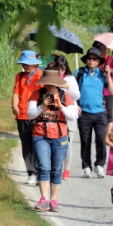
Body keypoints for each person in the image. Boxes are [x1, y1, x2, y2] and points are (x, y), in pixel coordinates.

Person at [27, 68, 77, 212]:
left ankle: (54, 200)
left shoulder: (64, 96)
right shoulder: (37, 94)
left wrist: (60, 106)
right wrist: (42, 106)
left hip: (60, 136)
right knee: (43, 166)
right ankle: (44, 199)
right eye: (47, 84)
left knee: (56, 168)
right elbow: (30, 114)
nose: (49, 87)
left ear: (57, 84)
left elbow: (72, 116)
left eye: (52, 84)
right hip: (40, 134)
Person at [75, 47, 113, 178]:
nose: (91, 61)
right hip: (84, 113)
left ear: (99, 61)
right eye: (89, 58)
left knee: (101, 140)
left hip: (100, 113)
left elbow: (112, 91)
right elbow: (72, 91)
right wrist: (75, 105)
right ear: (86, 60)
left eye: (94, 59)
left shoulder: (103, 73)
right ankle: (86, 166)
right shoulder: (80, 73)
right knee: (85, 141)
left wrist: (108, 76)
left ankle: (99, 164)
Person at [12, 50, 43, 185]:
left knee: (38, 144)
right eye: (24, 64)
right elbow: (15, 93)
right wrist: (14, 105)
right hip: (22, 115)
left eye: (28, 64)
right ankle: (31, 172)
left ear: (35, 64)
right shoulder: (19, 76)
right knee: (26, 145)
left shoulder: (42, 75)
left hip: (37, 115)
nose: (25, 66)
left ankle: (41, 172)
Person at [50, 55, 80, 180]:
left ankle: (66, 169)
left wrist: (67, 86)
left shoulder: (70, 78)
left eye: (63, 68)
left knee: (68, 142)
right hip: (55, 114)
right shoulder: (51, 77)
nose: (60, 71)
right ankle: (55, 167)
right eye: (58, 68)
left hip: (69, 113)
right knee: (54, 140)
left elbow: (77, 96)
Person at [93, 41, 113, 123]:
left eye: (103, 46)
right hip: (96, 87)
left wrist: (110, 70)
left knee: (109, 110)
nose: (101, 48)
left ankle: (109, 128)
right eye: (98, 47)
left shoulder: (110, 59)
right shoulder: (93, 60)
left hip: (108, 87)